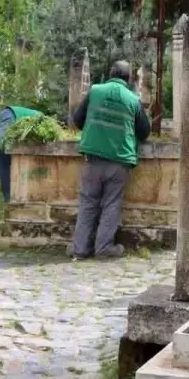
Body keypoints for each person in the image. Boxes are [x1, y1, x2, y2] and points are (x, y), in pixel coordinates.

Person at [67, 60, 151, 259]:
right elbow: (144, 131)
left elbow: (77, 120)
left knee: (88, 203)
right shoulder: (133, 99)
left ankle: (79, 250)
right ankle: (104, 248)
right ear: (128, 79)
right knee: (111, 204)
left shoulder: (95, 90)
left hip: (93, 158)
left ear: (110, 74)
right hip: (119, 161)